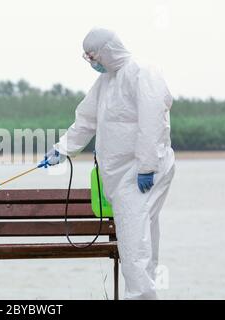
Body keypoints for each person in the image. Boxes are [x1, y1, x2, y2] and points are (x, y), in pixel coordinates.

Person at [44, 27, 175, 300]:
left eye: (93, 56)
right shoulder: (106, 83)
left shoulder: (142, 73)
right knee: (141, 239)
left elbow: (153, 124)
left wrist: (147, 166)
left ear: (107, 51)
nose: (92, 62)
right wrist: (62, 149)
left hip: (140, 175)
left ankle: (139, 297)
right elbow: (86, 119)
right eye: (88, 57)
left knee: (133, 243)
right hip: (122, 177)